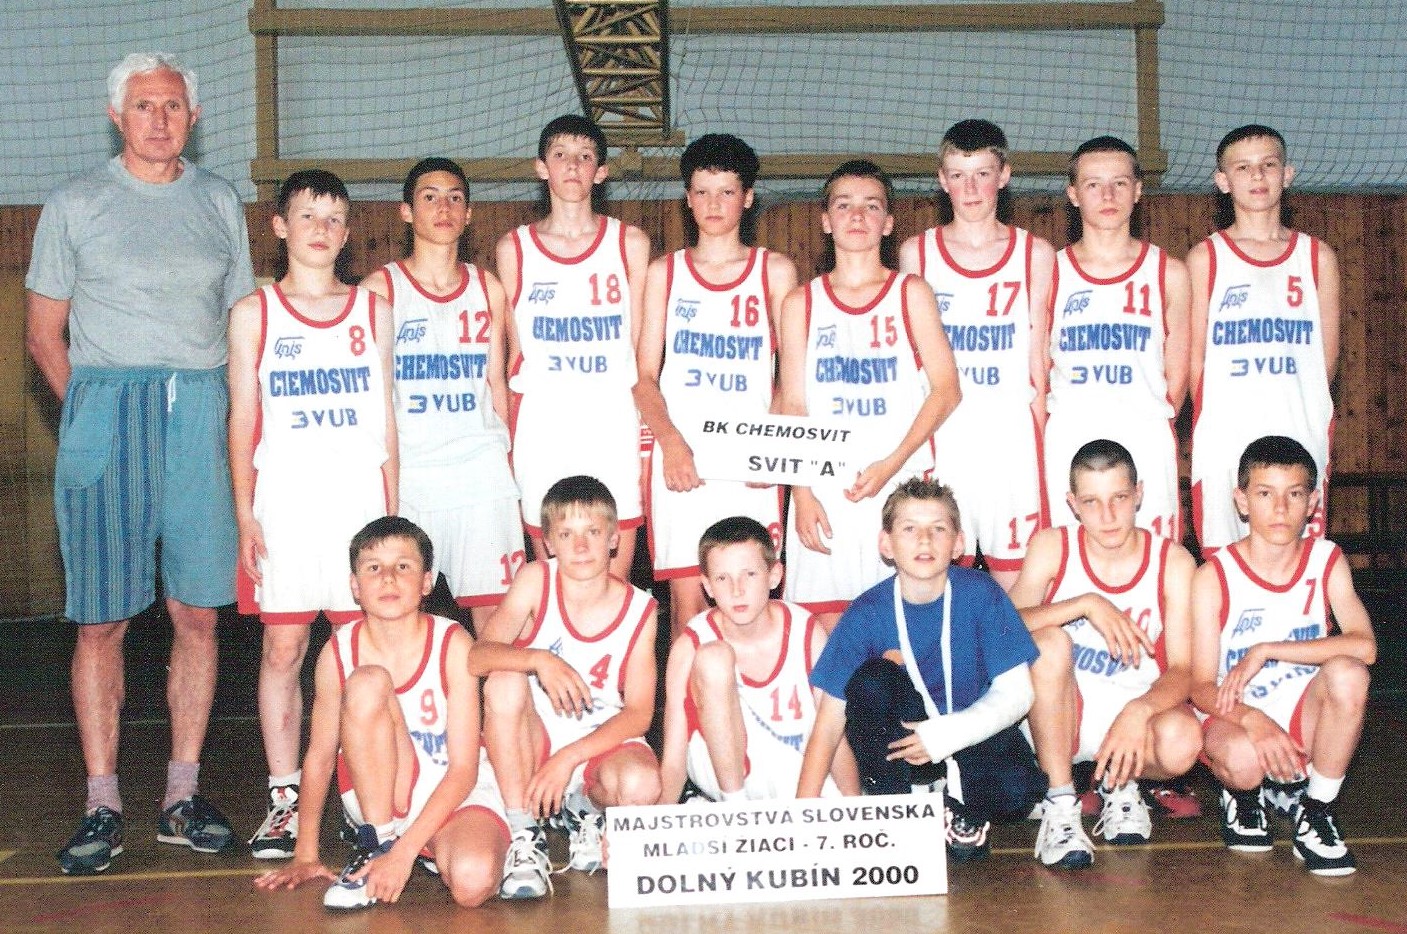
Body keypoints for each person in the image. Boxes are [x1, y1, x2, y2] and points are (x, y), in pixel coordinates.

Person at [25, 52, 254, 874]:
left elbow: (243, 328)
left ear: (194, 116)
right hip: (107, 410)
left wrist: (229, 422)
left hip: (199, 411)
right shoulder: (75, 203)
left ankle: (181, 798)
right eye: (144, 106)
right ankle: (102, 805)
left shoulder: (219, 201)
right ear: (116, 116)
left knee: (198, 614)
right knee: (101, 623)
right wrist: (94, 413)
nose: (160, 119)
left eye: (173, 106)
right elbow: (42, 335)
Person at [228, 169, 397, 859]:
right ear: (280, 226)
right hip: (287, 505)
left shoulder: (373, 310)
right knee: (284, 649)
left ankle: (364, 799)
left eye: (333, 219)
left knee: (363, 656)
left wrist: (392, 521)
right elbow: (242, 421)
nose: (320, 230)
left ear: (347, 232)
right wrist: (245, 514)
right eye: (307, 216)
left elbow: (387, 422)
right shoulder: (254, 313)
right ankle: (284, 799)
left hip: (358, 506)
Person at [252, 517, 508, 909]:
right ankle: (377, 843)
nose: (388, 578)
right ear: (355, 586)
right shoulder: (338, 652)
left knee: (472, 883)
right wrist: (305, 854)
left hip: (451, 792)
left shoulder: (453, 643)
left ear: (426, 582)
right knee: (368, 682)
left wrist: (405, 854)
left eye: (403, 566)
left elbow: (463, 771)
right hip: (382, 798)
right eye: (373, 568)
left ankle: (426, 847)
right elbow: (320, 757)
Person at [796, 478, 1046, 862]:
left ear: (958, 544)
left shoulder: (982, 593)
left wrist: (947, 735)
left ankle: (954, 803)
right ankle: (898, 811)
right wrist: (798, 824)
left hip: (968, 735)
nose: (925, 540)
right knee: (871, 682)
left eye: (938, 529)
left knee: (1018, 792)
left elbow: (1018, 694)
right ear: (886, 544)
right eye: (910, 529)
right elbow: (828, 726)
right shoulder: (866, 612)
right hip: (905, 747)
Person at [777, 160, 961, 631]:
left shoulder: (911, 293)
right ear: (825, 221)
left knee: (902, 631)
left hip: (898, 484)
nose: (857, 216)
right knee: (825, 634)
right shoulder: (800, 303)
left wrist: (892, 462)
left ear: (889, 222)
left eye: (871, 206)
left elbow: (946, 390)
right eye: (844, 206)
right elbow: (793, 405)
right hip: (826, 490)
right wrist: (801, 493)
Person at [1009, 439, 1200, 869]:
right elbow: (1002, 626)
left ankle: (1121, 781)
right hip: (1060, 717)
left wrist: (1138, 710)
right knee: (1049, 643)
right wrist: (1085, 603)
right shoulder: (1052, 546)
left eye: (1119, 498)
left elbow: (1185, 669)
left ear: (1139, 494)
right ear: (1072, 503)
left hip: (1135, 722)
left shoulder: (1172, 561)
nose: (1108, 515)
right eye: (1092, 502)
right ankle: (1061, 802)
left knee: (1183, 740)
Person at [469, 475, 661, 899]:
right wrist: (540, 659)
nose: (581, 546)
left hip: (596, 739)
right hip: (534, 735)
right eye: (567, 534)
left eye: (592, 532)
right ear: (549, 543)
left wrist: (569, 758)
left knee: (643, 784)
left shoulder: (640, 608)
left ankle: (584, 810)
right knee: (503, 681)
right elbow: (477, 657)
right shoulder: (536, 580)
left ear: (614, 539)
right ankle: (524, 834)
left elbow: (640, 713)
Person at [1190, 435, 1374, 876]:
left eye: (1293, 494)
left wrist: (1267, 650)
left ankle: (1316, 810)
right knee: (1243, 761)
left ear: (1312, 502)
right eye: (1264, 494)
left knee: (1349, 674)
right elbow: (1200, 686)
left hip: (1302, 710)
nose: (1279, 509)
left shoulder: (1326, 559)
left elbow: (1365, 645)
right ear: (1241, 501)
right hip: (1235, 713)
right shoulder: (1214, 576)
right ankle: (1244, 794)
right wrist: (1254, 720)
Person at [635, 134, 796, 636]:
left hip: (749, 460)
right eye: (702, 192)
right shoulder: (665, 273)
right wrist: (671, 443)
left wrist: (770, 447)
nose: (713, 204)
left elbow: (791, 378)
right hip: (683, 458)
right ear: (687, 198)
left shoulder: (774, 271)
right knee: (689, 606)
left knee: (752, 601)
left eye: (726, 192)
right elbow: (644, 379)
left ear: (747, 197)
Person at [361, 157, 521, 631]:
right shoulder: (380, 290)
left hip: (481, 474)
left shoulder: (487, 286)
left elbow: (497, 383)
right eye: (429, 197)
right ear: (406, 212)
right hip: (413, 476)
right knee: (401, 620)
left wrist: (509, 466)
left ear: (469, 214)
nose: (443, 207)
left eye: (455, 197)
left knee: (498, 623)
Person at [899, 118, 1055, 590]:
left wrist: (1041, 443)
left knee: (1022, 592)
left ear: (1003, 175)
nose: (970, 188)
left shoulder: (1035, 253)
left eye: (982, 174)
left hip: (1011, 443)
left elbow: (1039, 359)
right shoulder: (917, 253)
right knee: (937, 584)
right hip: (946, 440)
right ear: (942, 179)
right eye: (958, 175)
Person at [496, 115, 651, 580]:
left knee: (615, 581)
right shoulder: (514, 248)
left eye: (585, 157)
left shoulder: (629, 243)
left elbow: (638, 346)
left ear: (601, 172)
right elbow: (514, 353)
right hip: (544, 427)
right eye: (560, 154)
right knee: (552, 583)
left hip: (611, 423)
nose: (572, 165)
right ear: (541, 167)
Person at [1187, 126, 1339, 553]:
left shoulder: (1317, 257)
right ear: (1223, 181)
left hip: (1297, 426)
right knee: (1224, 562)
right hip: (1227, 434)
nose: (1257, 176)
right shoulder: (1205, 257)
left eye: (1268, 165)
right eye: (1243, 167)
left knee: (1296, 560)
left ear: (1287, 174)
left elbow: (1326, 361)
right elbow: (1195, 360)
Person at [1044, 136, 1190, 541]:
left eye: (1120, 183)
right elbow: (1037, 367)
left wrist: (1143, 417)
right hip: (1070, 436)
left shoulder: (1170, 273)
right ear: (1073, 194)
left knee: (1156, 560)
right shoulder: (1049, 272)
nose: (1107, 195)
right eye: (1093, 184)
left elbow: (1179, 375)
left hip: (1144, 434)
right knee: (1069, 560)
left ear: (1138, 190)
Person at [658, 516, 859, 804]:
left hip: (794, 769)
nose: (736, 590)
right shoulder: (691, 643)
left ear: (774, 575)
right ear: (708, 586)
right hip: (723, 775)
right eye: (722, 578)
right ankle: (736, 810)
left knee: (834, 795)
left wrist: (854, 803)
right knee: (714, 658)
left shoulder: (806, 632)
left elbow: (832, 733)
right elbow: (674, 753)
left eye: (749, 574)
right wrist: (656, 819)